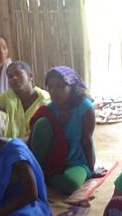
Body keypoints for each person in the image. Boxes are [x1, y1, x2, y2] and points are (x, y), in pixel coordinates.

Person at [29, 66, 96, 195]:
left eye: (60, 87)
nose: (54, 92)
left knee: (69, 184)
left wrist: (91, 168)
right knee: (41, 123)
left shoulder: (85, 108)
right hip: (54, 157)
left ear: (72, 87)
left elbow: (87, 141)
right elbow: (36, 138)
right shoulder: (49, 109)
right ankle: (38, 170)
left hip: (76, 160)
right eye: (51, 87)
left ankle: (42, 176)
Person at [0, 60, 51, 141]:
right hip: (10, 142)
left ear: (30, 76)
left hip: (35, 143)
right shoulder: (9, 94)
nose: (14, 78)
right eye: (10, 76)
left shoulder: (44, 99)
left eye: (18, 74)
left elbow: (43, 131)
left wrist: (15, 143)